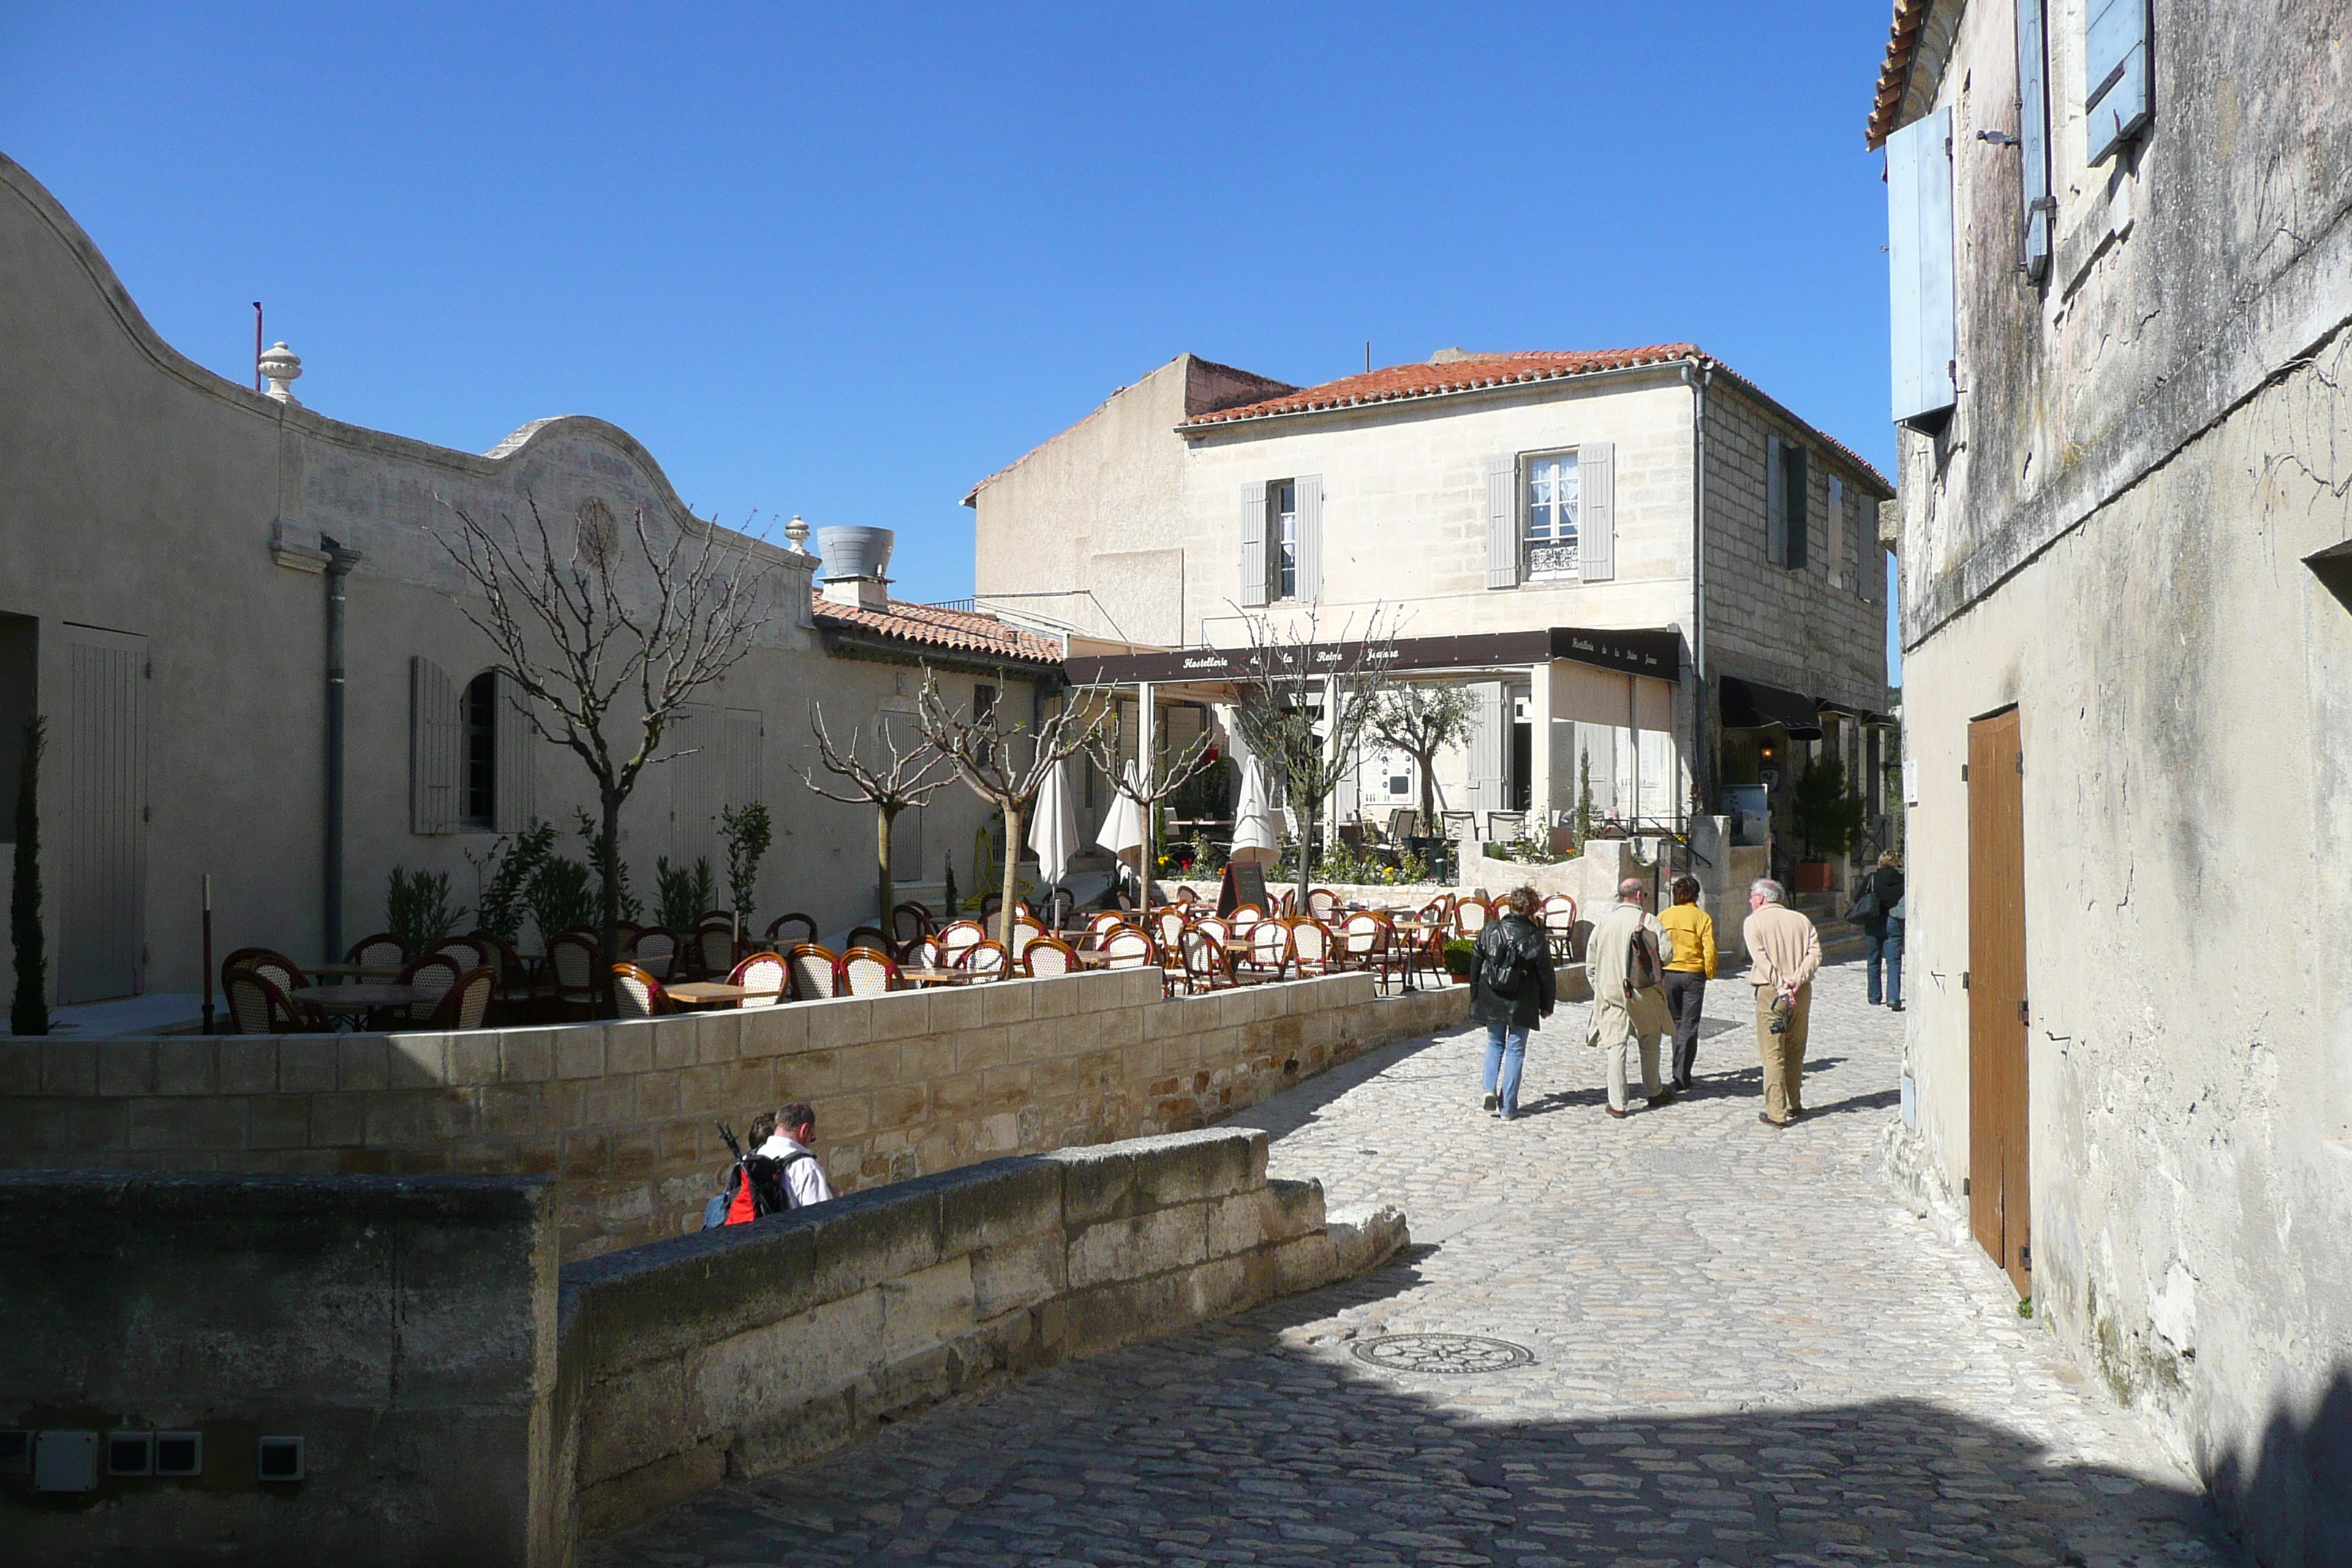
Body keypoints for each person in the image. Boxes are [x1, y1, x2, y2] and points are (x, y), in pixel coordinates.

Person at [1585, 877, 1677, 1117]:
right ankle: (1654, 1091)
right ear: (1638, 896)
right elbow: (1666, 956)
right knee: (1649, 1044)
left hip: (1611, 992)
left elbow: (1591, 964)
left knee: (1616, 1047)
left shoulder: (1603, 923)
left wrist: (1600, 987)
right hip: (1643, 991)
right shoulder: (1649, 921)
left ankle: (1618, 1103)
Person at [1469, 886, 1556, 1121]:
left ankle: (1489, 1088)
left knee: (1494, 1043)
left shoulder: (1491, 930)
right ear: (1533, 909)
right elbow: (1546, 973)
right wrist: (1547, 1004)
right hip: (1523, 998)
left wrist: (1475, 995)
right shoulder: (1535, 937)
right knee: (1516, 1050)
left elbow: (1476, 963)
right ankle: (1508, 1107)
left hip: (1492, 994)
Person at [1744, 878, 1823, 1128]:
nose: (1750, 901)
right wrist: (1797, 979)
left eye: (1752, 896)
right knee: (1795, 1049)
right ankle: (1793, 1101)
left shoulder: (1753, 922)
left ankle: (1776, 1112)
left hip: (1771, 992)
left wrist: (1780, 985)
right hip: (1801, 991)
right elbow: (1815, 954)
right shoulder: (1801, 920)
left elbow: (1761, 959)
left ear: (1762, 898)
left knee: (1773, 1052)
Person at [1657, 874, 1717, 1093]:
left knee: (1675, 1023)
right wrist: (1709, 971)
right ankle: (1682, 1074)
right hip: (1693, 973)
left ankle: (1678, 1069)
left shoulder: (1663, 916)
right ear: (1696, 895)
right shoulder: (1702, 918)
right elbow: (1709, 947)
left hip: (1669, 972)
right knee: (1689, 1025)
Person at [756, 1101, 836, 1210]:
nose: (810, 1143)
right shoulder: (807, 1168)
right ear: (804, 1130)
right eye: (811, 1138)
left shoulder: (752, 1158)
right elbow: (824, 1218)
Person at [1855, 850, 1906, 1011]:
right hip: (1894, 920)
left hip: (1874, 920)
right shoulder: (1902, 879)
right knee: (1894, 961)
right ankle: (1893, 997)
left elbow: (1858, 898)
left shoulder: (1872, 878)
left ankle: (1874, 997)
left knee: (1873, 960)